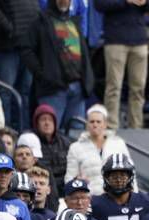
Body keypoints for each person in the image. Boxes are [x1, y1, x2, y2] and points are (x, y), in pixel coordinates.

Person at [20, 0, 94, 130]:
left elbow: (83, 53)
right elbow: (26, 50)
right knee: (50, 133)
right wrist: (42, 74)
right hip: (53, 90)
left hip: (78, 88)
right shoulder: (40, 23)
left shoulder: (74, 22)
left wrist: (86, 81)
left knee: (76, 134)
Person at [0, 0, 39, 131]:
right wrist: (10, 28)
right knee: (5, 92)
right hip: (6, 46)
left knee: (25, 93)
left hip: (28, 45)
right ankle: (5, 135)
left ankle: (23, 135)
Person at [95, 0, 149, 129]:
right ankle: (111, 126)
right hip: (116, 39)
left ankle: (136, 126)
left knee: (139, 88)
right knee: (113, 87)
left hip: (139, 39)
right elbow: (100, 4)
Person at [91, 154, 149, 220]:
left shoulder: (146, 201)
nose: (119, 180)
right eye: (114, 176)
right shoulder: (94, 204)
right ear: (106, 178)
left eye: (123, 175)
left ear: (130, 176)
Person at [65, 104, 130, 195]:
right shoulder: (75, 147)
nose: (95, 124)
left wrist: (133, 196)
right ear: (87, 124)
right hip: (89, 199)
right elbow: (69, 178)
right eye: (92, 121)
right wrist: (77, 181)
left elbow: (131, 173)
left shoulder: (118, 143)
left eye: (98, 122)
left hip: (116, 197)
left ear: (105, 124)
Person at [33, 104, 73, 201]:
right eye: (43, 119)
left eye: (50, 120)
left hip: (64, 187)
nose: (47, 123)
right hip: (42, 188)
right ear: (36, 123)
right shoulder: (32, 141)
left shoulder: (65, 142)